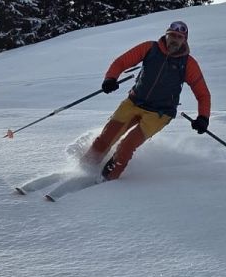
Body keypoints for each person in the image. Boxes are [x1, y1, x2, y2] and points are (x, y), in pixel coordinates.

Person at [85, 19, 211, 180]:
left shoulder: (188, 64)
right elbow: (121, 62)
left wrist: (203, 117)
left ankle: (107, 179)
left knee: (127, 146)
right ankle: (84, 169)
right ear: (166, 35)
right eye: (172, 35)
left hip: (160, 113)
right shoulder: (150, 48)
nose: (175, 39)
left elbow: (203, 94)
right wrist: (111, 78)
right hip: (133, 102)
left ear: (184, 40)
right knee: (106, 138)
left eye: (179, 37)